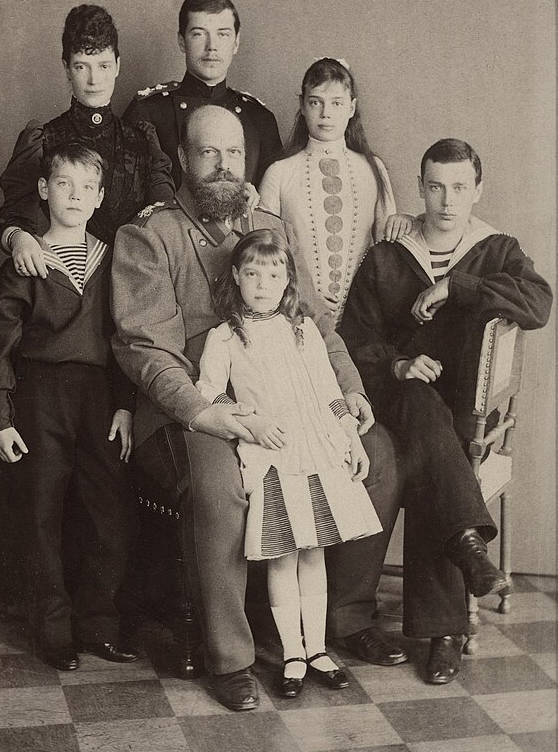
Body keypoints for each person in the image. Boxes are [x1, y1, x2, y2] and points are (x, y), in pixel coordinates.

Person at [111, 104, 406, 712]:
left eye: (236, 154)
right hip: (194, 407)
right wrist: (205, 412)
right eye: (209, 153)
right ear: (184, 160)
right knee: (220, 487)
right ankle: (232, 657)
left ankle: (332, 623)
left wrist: (350, 393)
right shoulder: (150, 234)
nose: (224, 167)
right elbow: (145, 349)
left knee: (376, 457)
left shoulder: (269, 224)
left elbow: (320, 326)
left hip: (289, 401)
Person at [338, 138, 553, 684]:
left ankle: (446, 608)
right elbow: (351, 338)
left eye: (460, 187)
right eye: (435, 186)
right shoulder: (388, 255)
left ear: (477, 189)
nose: (447, 200)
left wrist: (457, 287)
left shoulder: (497, 250)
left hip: (460, 409)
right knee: (423, 414)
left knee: (434, 443)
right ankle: (451, 612)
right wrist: (398, 367)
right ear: (420, 187)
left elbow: (538, 304)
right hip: (390, 401)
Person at [196, 229, 382, 697]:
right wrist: (249, 422)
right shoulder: (225, 337)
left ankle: (318, 649)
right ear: (236, 276)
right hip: (271, 455)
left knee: (313, 553)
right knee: (283, 556)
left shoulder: (303, 331)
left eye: (274, 275)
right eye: (253, 274)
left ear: (287, 281)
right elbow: (211, 393)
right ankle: (293, 655)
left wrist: (350, 440)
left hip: (316, 451)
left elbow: (329, 392)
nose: (263, 285)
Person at [0, 143, 140, 671]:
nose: (75, 195)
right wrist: (1, 417)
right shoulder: (27, 260)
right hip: (39, 394)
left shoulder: (113, 258)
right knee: (41, 512)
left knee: (108, 511)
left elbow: (125, 337)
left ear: (99, 198)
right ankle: (52, 627)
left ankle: (99, 623)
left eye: (86, 187)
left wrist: (125, 406)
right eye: (63, 184)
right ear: (44, 190)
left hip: (98, 397)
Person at [0, 3, 174, 277]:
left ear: (117, 65)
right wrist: (19, 238)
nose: (94, 80)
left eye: (103, 65)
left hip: (134, 285)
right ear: (67, 68)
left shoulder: (142, 142)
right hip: (65, 284)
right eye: (82, 66)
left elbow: (165, 219)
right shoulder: (43, 140)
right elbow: (13, 218)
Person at [259, 57, 412, 323]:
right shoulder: (279, 172)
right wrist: (303, 293)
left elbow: (386, 249)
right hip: (295, 313)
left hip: (363, 317)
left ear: (351, 107)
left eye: (336, 103)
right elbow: (264, 252)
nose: (325, 114)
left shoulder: (373, 169)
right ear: (303, 106)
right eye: (315, 102)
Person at [123, 0, 282, 188]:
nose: (211, 46)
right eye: (199, 34)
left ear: (236, 42)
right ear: (182, 41)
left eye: (222, 34)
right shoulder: (148, 111)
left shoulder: (259, 118)